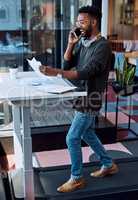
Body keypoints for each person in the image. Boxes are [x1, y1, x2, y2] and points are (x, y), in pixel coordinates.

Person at [39, 5, 118, 193]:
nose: (79, 25)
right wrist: (71, 43)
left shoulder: (103, 46)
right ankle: (108, 164)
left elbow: (86, 72)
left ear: (94, 22)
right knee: (87, 133)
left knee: (72, 137)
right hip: (80, 95)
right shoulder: (83, 42)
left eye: (82, 22)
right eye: (77, 22)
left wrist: (56, 73)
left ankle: (76, 178)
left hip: (91, 97)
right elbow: (68, 62)